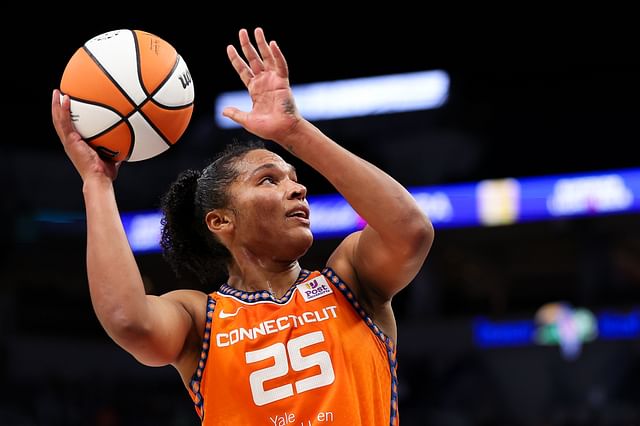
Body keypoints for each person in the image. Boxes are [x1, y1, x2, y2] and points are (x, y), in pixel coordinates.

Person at [52, 27, 434, 426]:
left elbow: (411, 230)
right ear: (220, 221)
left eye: (293, 176)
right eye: (270, 179)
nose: (298, 188)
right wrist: (96, 182)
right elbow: (127, 319)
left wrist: (294, 132)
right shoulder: (200, 319)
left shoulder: (351, 280)